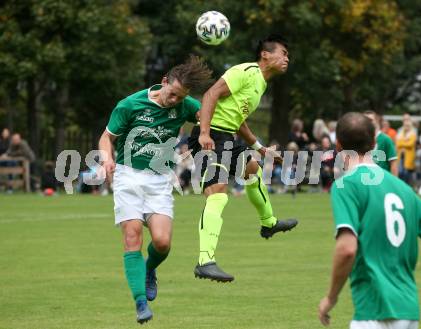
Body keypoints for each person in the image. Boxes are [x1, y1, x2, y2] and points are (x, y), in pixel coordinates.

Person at [98, 55, 212, 324]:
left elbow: (208, 112)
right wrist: (107, 158)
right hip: (127, 176)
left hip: (160, 179)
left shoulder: (185, 104)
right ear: (164, 82)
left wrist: (205, 129)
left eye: (180, 98)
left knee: (162, 243)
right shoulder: (130, 104)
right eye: (172, 94)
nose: (175, 101)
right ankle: (140, 303)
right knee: (132, 236)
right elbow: (106, 138)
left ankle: (149, 270)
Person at [188, 34, 298, 282]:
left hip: (226, 136)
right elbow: (210, 95)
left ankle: (268, 223)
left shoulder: (260, 84)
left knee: (252, 169)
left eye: (288, 55)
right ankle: (205, 261)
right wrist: (205, 133)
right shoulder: (246, 71)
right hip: (212, 135)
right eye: (283, 52)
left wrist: (260, 148)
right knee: (217, 193)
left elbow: (238, 121)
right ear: (265, 54)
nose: (286, 58)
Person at [318, 112, 421, 329]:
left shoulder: (346, 186)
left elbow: (346, 249)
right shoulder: (404, 189)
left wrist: (331, 298)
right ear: (375, 143)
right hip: (409, 313)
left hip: (372, 312)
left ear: (338, 145)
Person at [364, 110, 398, 176]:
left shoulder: (386, 139)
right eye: (365, 120)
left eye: (370, 120)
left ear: (376, 121)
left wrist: (393, 184)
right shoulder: (361, 139)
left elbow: (393, 162)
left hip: (382, 179)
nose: (368, 122)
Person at [396, 118, 417, 185]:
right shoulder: (400, 134)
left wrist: (402, 142)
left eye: (408, 125)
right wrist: (406, 141)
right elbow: (398, 144)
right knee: (401, 172)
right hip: (401, 156)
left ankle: (408, 186)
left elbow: (410, 144)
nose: (406, 127)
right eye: (405, 125)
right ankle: (402, 186)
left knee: (407, 172)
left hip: (409, 156)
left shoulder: (413, 134)